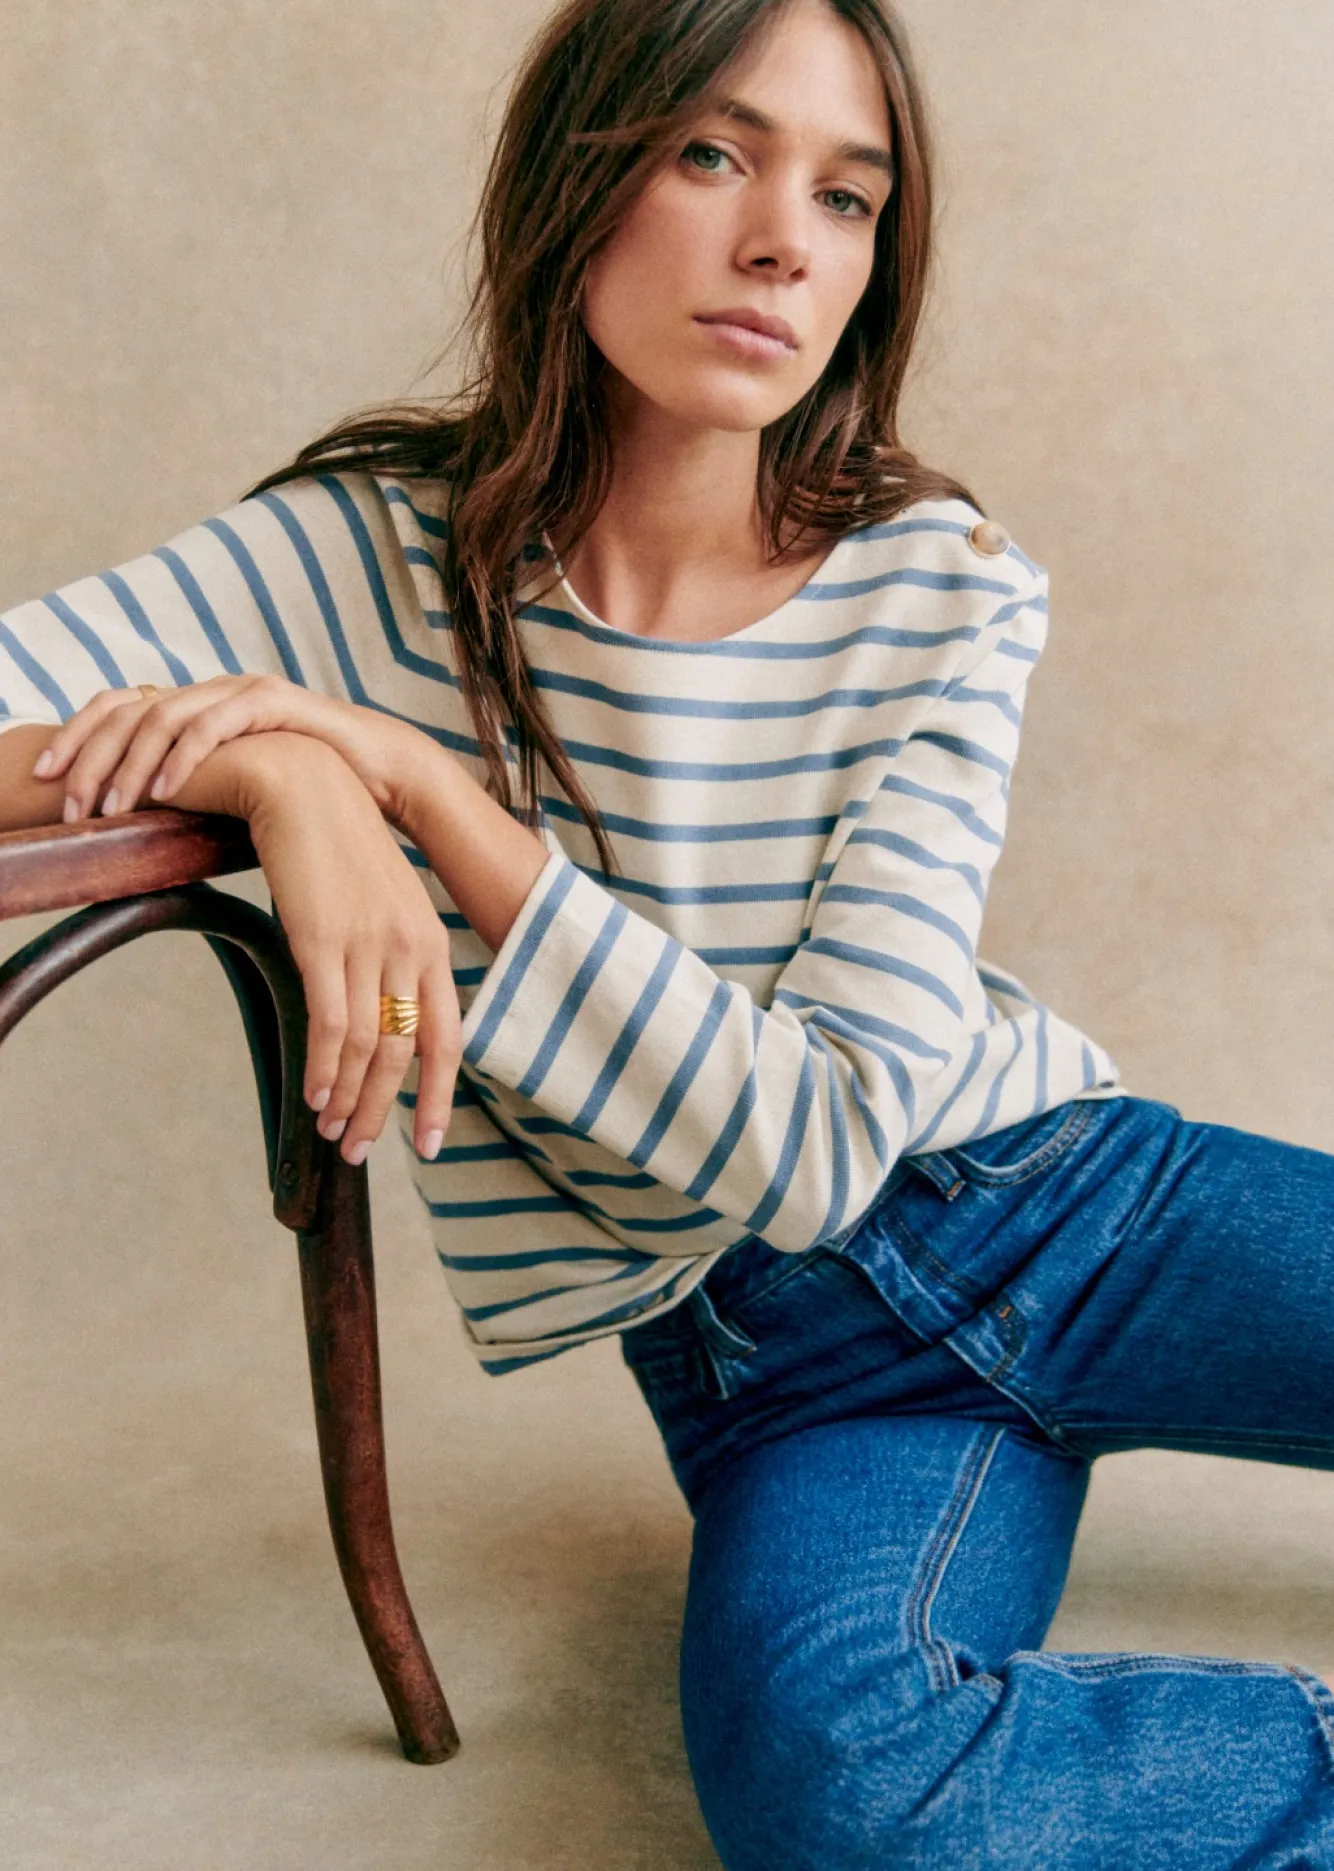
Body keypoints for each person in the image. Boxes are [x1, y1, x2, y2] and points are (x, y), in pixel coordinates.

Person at [2, 0, 1333, 1862]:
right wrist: (278, 774)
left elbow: (818, 1145)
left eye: (847, 196)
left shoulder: (939, 585)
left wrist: (417, 791)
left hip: (1071, 1209)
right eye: (713, 153)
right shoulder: (360, 557)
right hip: (786, 1378)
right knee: (849, 1800)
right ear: (579, 180)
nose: (783, 240)